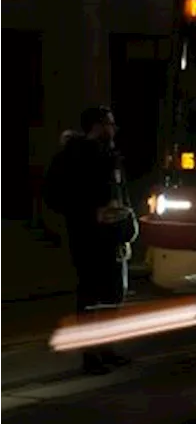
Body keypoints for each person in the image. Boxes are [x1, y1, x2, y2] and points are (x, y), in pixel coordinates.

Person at [44, 106, 138, 375]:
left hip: (114, 236)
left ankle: (106, 349)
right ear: (96, 126)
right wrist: (90, 214)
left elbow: (119, 193)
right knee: (91, 296)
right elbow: (54, 196)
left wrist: (126, 226)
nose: (114, 129)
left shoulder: (109, 155)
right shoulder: (72, 157)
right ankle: (91, 356)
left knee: (113, 294)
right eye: (110, 123)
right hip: (89, 237)